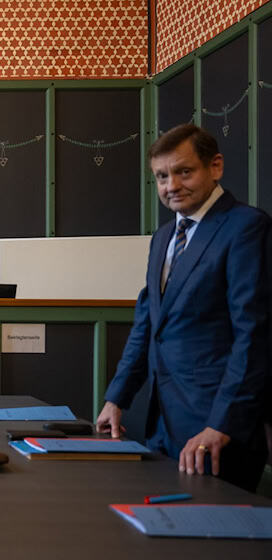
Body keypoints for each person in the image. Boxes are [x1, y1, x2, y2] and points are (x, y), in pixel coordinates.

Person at [95, 123, 271, 491]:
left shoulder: (246, 228)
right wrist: (116, 398)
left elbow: (253, 336)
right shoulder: (162, 239)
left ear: (216, 167)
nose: (171, 185)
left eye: (183, 172)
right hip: (162, 425)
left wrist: (221, 424)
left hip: (217, 431)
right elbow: (148, 325)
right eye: (161, 176)